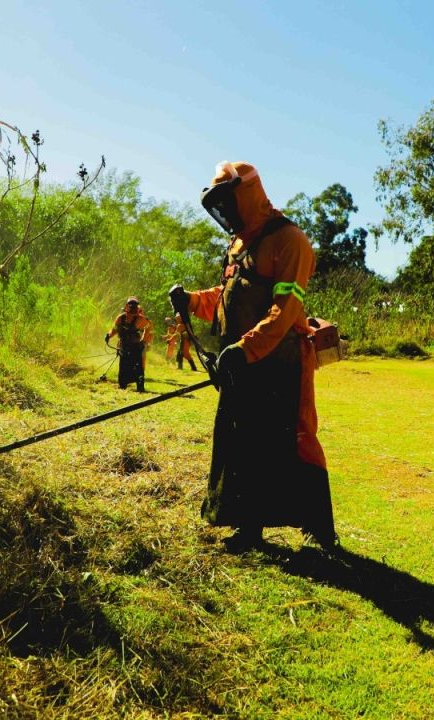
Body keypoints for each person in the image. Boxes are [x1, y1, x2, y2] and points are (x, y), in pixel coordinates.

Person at [169, 161, 336, 552]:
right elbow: (228, 297)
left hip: (282, 364)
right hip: (243, 364)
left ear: (248, 195)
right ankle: (249, 529)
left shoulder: (289, 240)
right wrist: (192, 301)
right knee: (243, 443)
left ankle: (321, 531)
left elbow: (285, 310)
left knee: (295, 441)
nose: (225, 212)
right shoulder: (240, 244)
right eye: (218, 205)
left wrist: (246, 349)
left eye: (228, 202)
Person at [106, 297, 152, 392]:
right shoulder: (120, 318)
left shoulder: (141, 319)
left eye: (134, 305)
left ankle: (140, 388)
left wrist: (143, 340)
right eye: (130, 304)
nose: (132, 307)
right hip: (123, 347)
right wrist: (108, 336)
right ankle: (123, 386)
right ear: (126, 306)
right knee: (123, 368)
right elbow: (114, 329)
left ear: (137, 306)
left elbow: (148, 328)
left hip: (135, 347)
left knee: (138, 368)